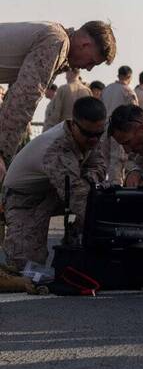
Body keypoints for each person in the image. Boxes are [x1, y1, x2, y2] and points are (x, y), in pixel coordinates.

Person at [0, 21, 116, 183]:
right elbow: (24, 98)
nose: (89, 68)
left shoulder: (54, 37)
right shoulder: (57, 42)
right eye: (92, 61)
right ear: (85, 44)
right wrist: (2, 152)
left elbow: (14, 94)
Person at [2, 97, 107, 268]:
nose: (94, 140)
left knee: (95, 200)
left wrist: (89, 178)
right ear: (74, 125)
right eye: (88, 134)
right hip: (25, 199)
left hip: (55, 190)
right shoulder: (56, 149)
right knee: (26, 266)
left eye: (99, 134)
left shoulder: (89, 133)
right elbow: (77, 198)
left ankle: (75, 245)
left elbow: (99, 165)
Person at [101, 66, 138, 184]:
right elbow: (134, 113)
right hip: (120, 130)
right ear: (129, 76)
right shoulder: (128, 91)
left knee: (104, 160)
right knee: (117, 160)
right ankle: (116, 186)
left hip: (104, 128)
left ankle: (104, 185)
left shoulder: (106, 89)